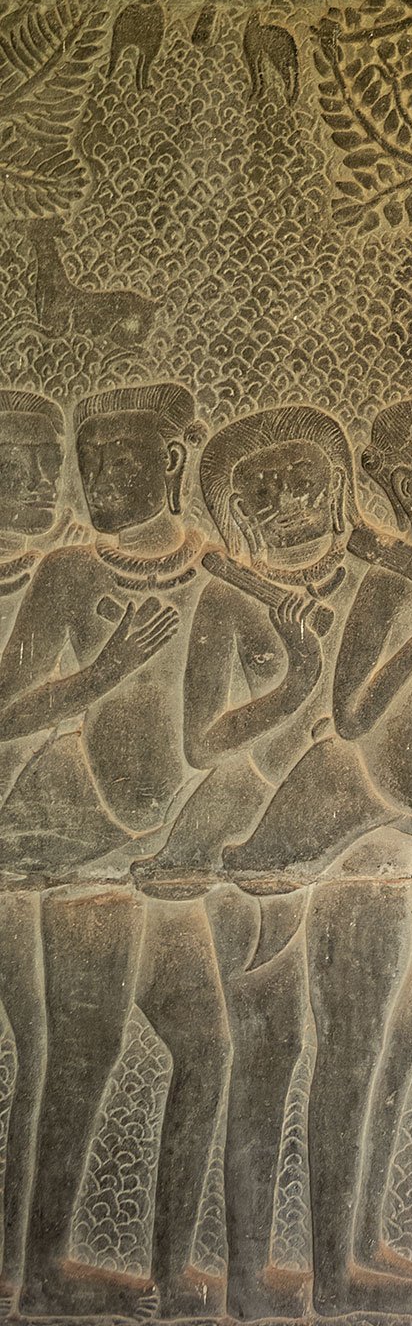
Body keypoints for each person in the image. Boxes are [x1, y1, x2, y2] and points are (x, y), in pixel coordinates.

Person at [228, 397, 412, 1314]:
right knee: (352, 1044)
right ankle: (331, 1271)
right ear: (404, 490)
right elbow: (350, 718)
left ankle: (411, 1255)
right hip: (355, 832)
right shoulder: (388, 585)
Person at [0, 386, 219, 1320]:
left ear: (172, 462)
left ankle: (171, 1272)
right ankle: (43, 1274)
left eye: (124, 460)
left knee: (205, 1047)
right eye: (90, 465)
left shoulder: (216, 570)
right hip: (82, 843)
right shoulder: (67, 575)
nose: (101, 481)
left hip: (173, 848)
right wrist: (101, 675)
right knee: (77, 1053)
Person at [141, 404, 353, 1321]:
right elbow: (201, 740)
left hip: (325, 841)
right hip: (230, 842)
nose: (290, 502)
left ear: (339, 492)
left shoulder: (364, 586)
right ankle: (205, 1277)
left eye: (306, 481)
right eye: (263, 491)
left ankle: (257, 1270)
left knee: (302, 1048)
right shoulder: (231, 600)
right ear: (232, 514)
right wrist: (297, 683)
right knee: (240, 1056)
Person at [0, 391, 65, 1309]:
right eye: (19, 465)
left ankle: (30, 1269)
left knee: (49, 1051)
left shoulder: (58, 571)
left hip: (38, 849)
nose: (47, 483)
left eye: (55, 463)